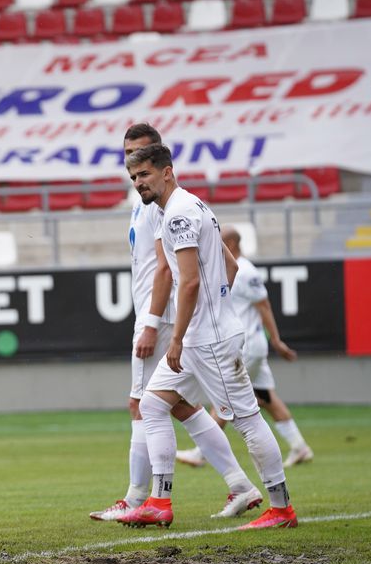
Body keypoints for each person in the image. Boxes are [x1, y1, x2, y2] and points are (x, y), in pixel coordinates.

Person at [89, 124, 265, 522]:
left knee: (143, 404)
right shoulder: (145, 201)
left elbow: (168, 268)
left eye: (142, 155)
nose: (134, 165)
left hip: (164, 316)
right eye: (128, 156)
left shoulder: (161, 205)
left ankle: (138, 499)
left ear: (161, 159)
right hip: (164, 314)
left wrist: (153, 322)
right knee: (180, 406)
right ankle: (240, 484)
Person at [117, 143, 297, 530]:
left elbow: (191, 281)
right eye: (133, 177)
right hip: (207, 334)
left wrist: (182, 335)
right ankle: (158, 502)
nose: (139, 183)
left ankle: (281, 509)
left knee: (247, 420)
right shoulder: (191, 206)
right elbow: (228, 267)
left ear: (167, 171)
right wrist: (217, 309)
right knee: (152, 405)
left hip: (208, 342)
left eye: (145, 174)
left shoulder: (178, 214)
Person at [175, 227, 315, 469]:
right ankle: (300, 446)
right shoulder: (227, 269)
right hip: (252, 346)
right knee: (267, 398)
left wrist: (277, 340)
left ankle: (201, 452)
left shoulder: (245, 271)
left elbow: (264, 306)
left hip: (246, 346)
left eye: (219, 241)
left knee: (224, 395)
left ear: (230, 242)